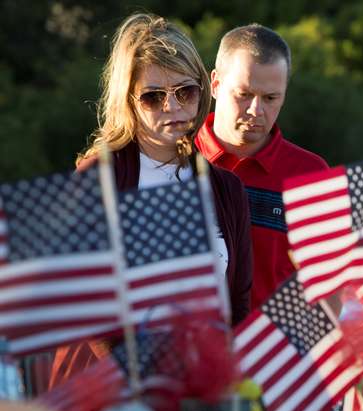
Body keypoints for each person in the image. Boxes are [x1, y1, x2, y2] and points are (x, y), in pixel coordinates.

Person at [49, 14, 253, 388]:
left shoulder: (226, 189)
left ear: (202, 92)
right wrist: (147, 382)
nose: (172, 107)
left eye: (185, 91)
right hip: (106, 396)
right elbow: (84, 303)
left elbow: (237, 306)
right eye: (153, 96)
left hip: (197, 397)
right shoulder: (98, 180)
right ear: (129, 100)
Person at [195, 24, 328, 308]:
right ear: (216, 84)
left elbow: (329, 289)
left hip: (275, 348)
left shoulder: (312, 173)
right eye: (244, 94)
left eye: (270, 98)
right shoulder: (172, 157)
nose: (257, 111)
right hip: (182, 348)